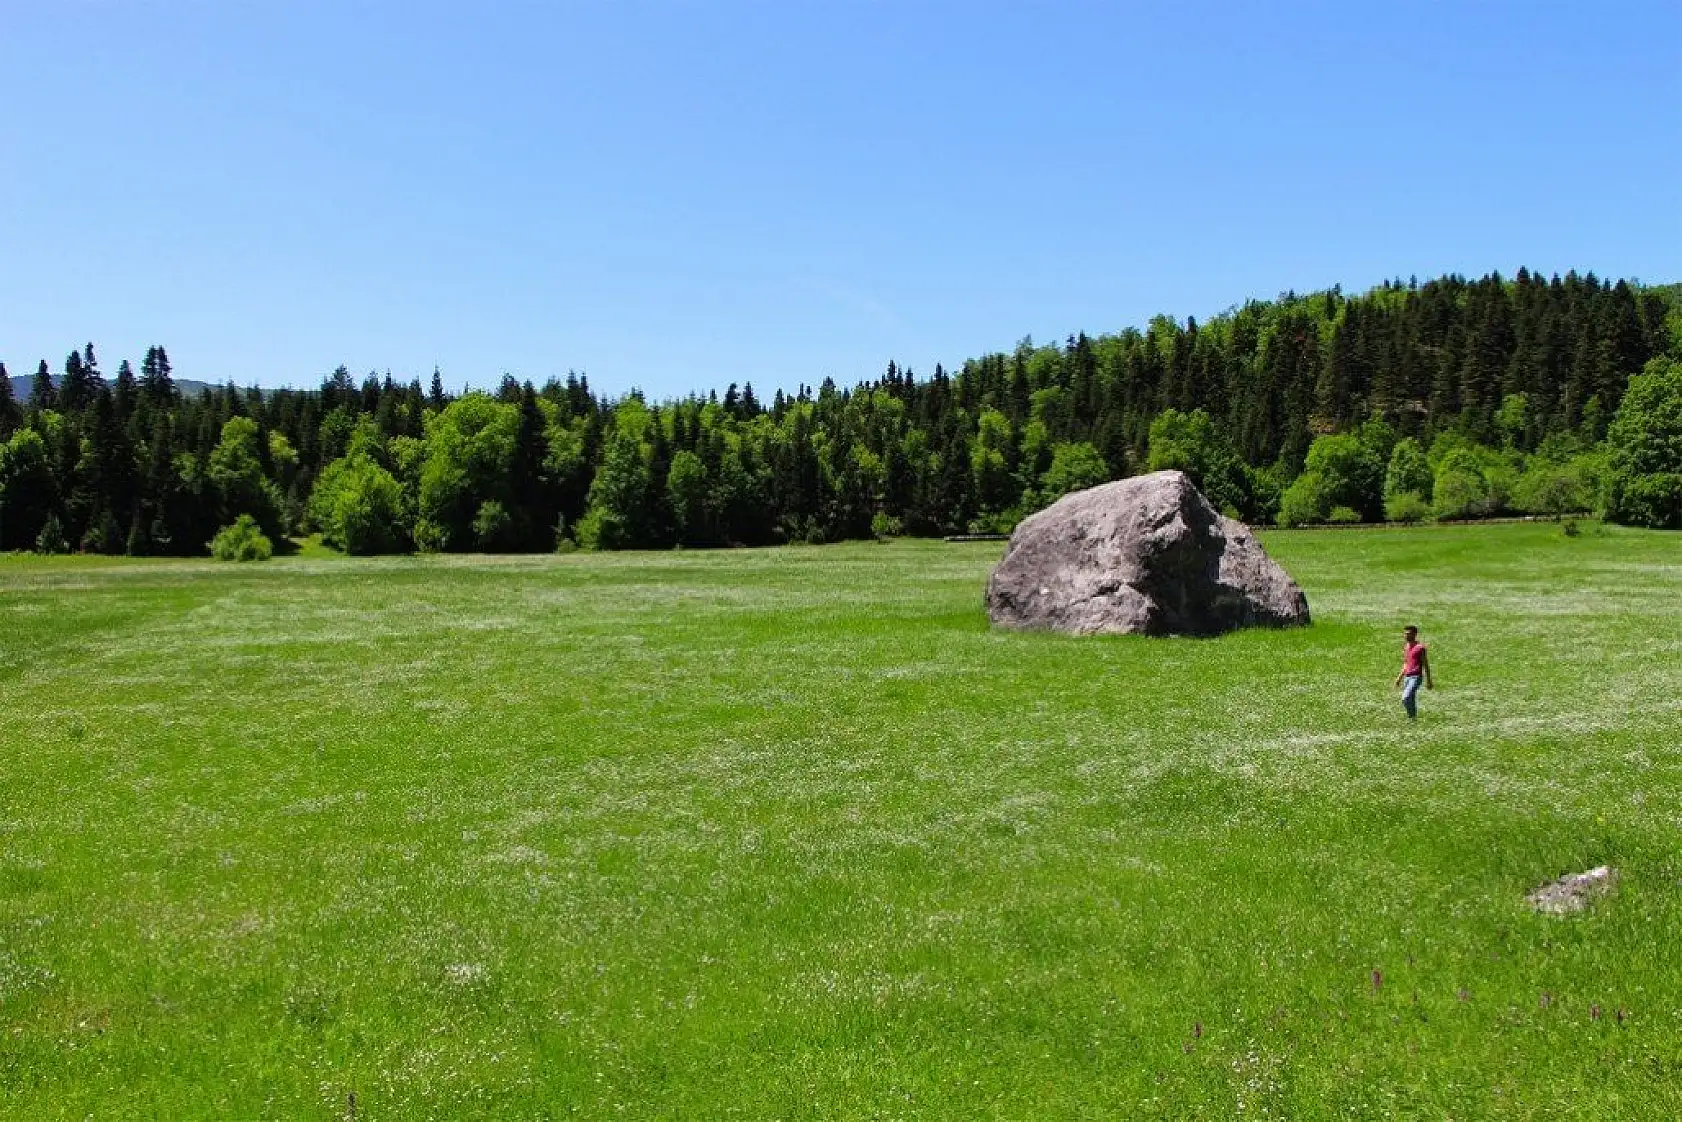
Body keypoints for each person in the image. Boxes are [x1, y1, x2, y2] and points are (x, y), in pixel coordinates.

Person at [1394, 625, 1432, 719]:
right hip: (1407, 677)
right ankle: (1413, 719)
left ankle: (1411, 716)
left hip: (1416, 677)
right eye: (1405, 634)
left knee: (1405, 697)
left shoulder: (1420, 648)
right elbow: (1406, 663)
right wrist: (1399, 678)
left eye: (1409, 634)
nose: (1406, 636)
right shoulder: (1406, 647)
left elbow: (1425, 665)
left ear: (1415, 634)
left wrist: (1428, 680)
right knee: (1411, 699)